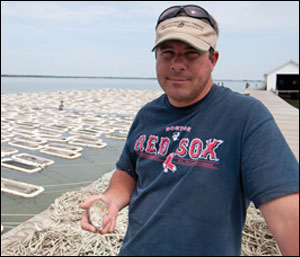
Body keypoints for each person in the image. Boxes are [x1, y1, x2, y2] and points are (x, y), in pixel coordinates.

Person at [80, 4, 299, 256]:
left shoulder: (245, 116)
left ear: (213, 59)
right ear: (156, 58)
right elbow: (127, 171)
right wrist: (112, 198)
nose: (177, 64)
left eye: (191, 53)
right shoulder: (147, 115)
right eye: (167, 52)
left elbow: (287, 215)